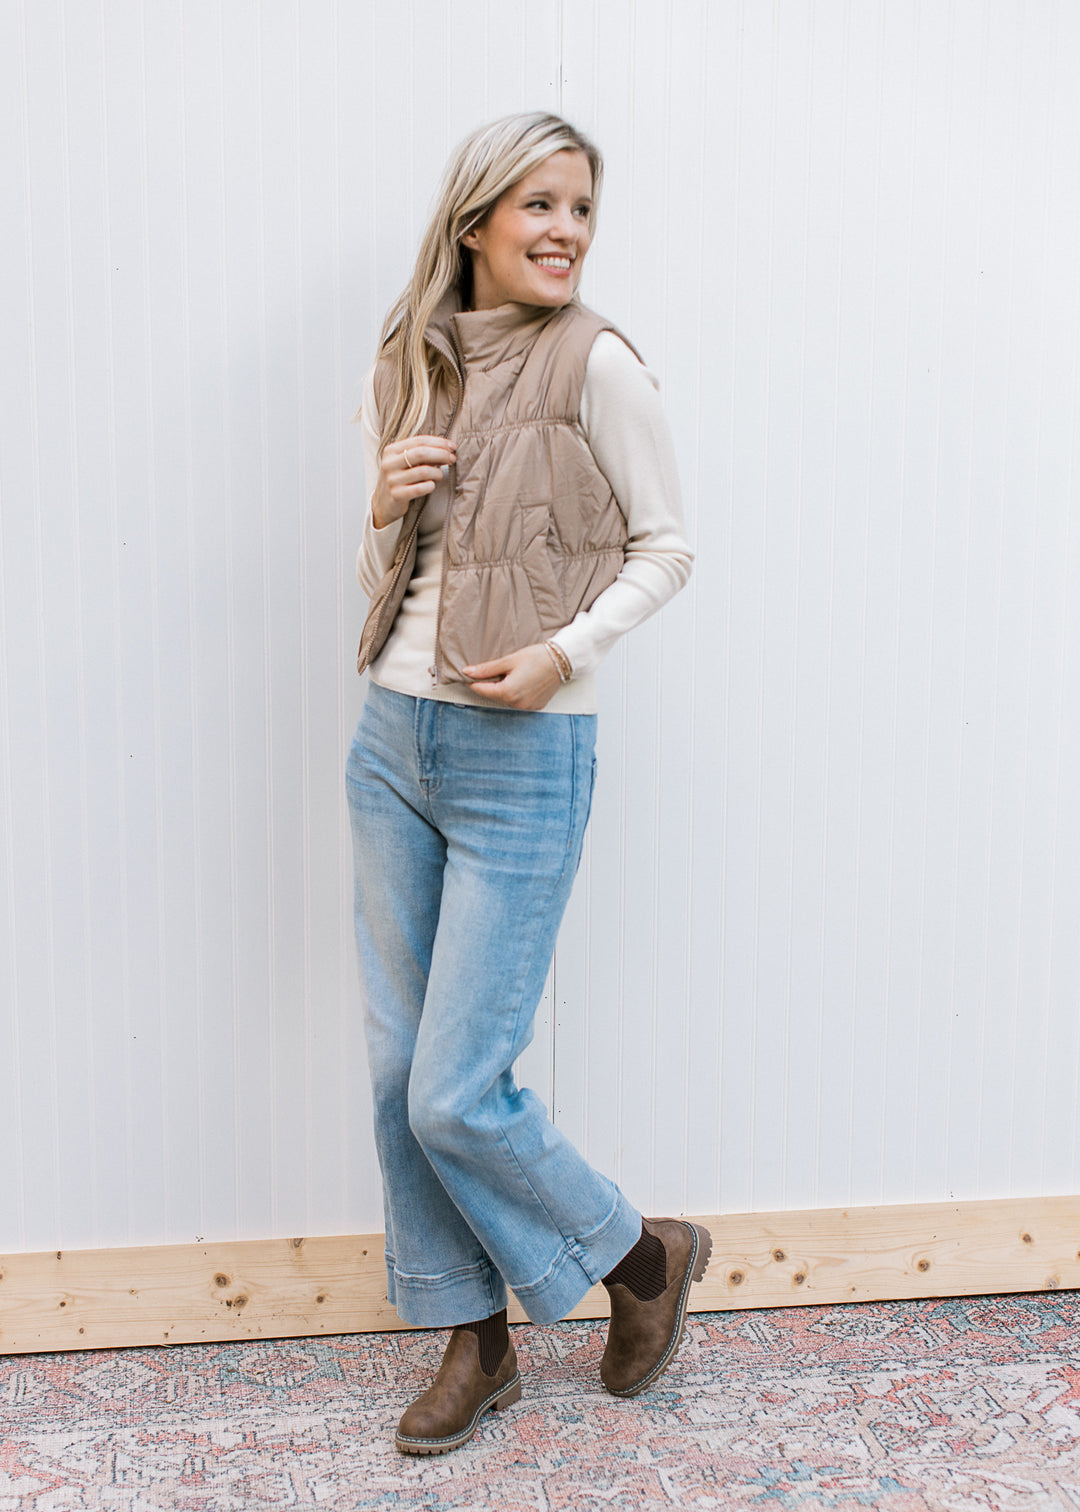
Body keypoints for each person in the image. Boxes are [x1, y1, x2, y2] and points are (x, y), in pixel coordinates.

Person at [346, 111, 709, 1456]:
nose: (562, 232)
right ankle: (476, 1338)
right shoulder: (417, 355)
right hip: (391, 738)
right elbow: (410, 562)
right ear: (475, 223)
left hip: (523, 757)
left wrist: (567, 651)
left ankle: (640, 1256)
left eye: (579, 210)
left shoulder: (599, 362)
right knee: (400, 1077)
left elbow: (669, 548)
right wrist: (382, 502)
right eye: (537, 206)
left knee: (458, 1085)